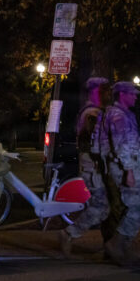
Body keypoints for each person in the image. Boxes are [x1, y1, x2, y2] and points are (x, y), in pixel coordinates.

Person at [59, 77, 111, 257]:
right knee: (101, 206)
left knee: (105, 206)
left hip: (95, 166)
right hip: (93, 167)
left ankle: (108, 245)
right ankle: (69, 233)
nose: (106, 94)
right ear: (95, 91)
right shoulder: (92, 114)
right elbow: (94, 143)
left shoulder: (92, 111)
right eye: (103, 90)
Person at [102, 81, 140, 265]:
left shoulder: (126, 114)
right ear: (122, 94)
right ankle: (116, 244)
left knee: (133, 207)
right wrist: (129, 172)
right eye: (132, 94)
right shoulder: (118, 115)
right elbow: (121, 145)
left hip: (130, 166)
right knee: (136, 207)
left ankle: (124, 247)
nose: (136, 97)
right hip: (125, 168)